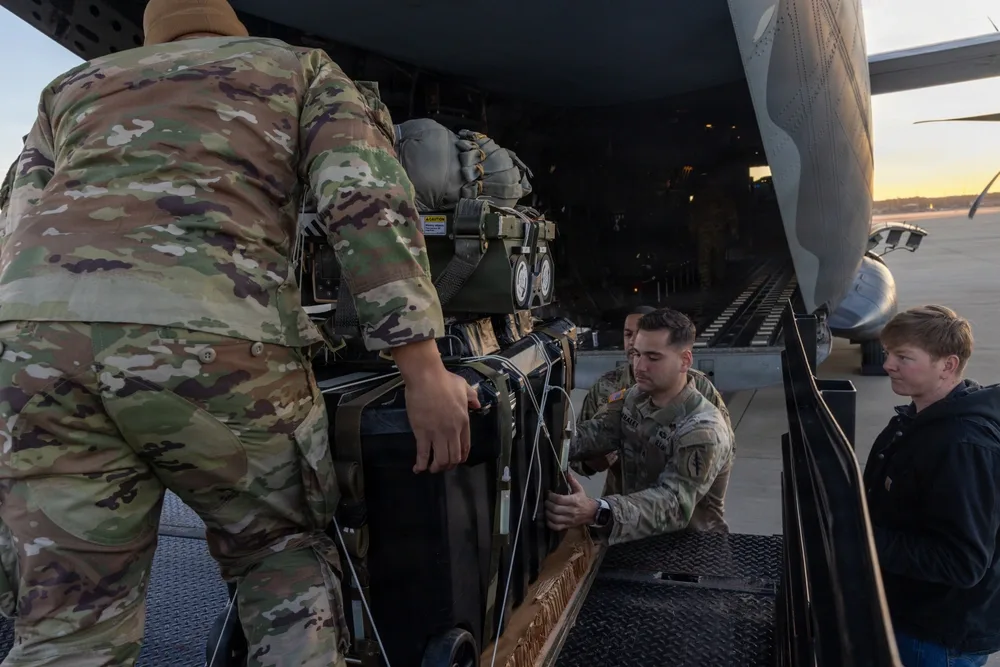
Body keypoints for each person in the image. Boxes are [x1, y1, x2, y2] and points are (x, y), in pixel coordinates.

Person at [0, 1, 479, 665]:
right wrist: (424, 369)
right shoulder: (301, 70)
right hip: (216, 341)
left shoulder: (71, 90)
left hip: (38, 351)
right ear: (232, 29)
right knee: (277, 554)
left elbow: (19, 217)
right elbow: (362, 197)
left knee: (66, 623)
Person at [864, 305, 1000, 667]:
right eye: (889, 353)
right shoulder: (917, 420)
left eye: (904, 357)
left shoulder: (962, 447)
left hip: (935, 638)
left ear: (948, 365)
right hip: (910, 617)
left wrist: (862, 537)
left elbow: (963, 563)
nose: (888, 365)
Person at [547, 308, 735, 543]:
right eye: (637, 354)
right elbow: (597, 433)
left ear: (685, 361)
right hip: (637, 540)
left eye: (653, 358)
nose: (639, 366)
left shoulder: (702, 430)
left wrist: (597, 510)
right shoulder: (635, 397)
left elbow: (673, 504)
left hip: (692, 555)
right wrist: (544, 440)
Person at [574, 305, 732, 496]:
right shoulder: (610, 388)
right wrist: (589, 463)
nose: (632, 342)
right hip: (620, 509)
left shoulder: (701, 391)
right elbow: (584, 438)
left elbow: (722, 452)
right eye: (627, 334)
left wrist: (598, 511)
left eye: (653, 356)